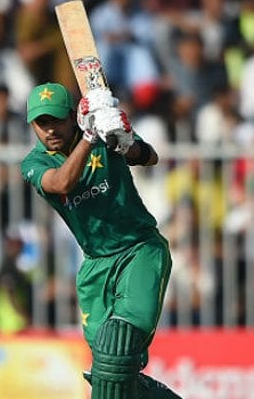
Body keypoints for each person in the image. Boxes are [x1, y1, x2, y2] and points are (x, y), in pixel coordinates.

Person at [20, 83, 181, 398]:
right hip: (95, 265)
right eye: (42, 123)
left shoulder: (100, 136)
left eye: (56, 120)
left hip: (139, 250)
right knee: (108, 371)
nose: (50, 130)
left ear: (72, 117)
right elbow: (63, 182)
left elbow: (150, 157)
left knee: (116, 345)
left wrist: (123, 141)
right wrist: (91, 138)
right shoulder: (34, 163)